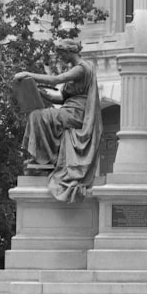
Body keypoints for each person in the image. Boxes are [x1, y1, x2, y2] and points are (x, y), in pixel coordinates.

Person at [14, 38, 102, 203]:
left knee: (37, 116)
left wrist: (29, 75)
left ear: (70, 51)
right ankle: (43, 158)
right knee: (37, 114)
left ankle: (43, 158)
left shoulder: (82, 68)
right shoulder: (76, 70)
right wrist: (39, 93)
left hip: (77, 114)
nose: (60, 57)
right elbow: (61, 98)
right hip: (68, 110)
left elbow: (55, 80)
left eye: (61, 53)